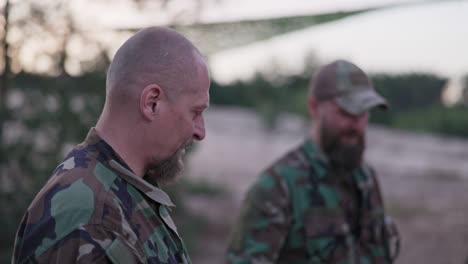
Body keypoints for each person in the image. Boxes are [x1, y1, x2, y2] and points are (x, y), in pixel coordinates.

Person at [12, 27, 210, 263]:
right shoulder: (92, 221)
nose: (200, 132)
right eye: (195, 112)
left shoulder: (123, 190)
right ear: (152, 103)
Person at [226, 60, 399, 264]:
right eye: (346, 112)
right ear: (314, 107)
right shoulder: (277, 188)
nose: (356, 124)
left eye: (363, 113)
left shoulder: (366, 179)